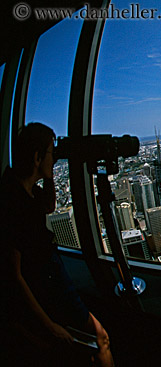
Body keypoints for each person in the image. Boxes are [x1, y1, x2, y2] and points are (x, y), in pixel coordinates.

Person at [0, 123, 115, 366]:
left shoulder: (25, 189)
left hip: (49, 277)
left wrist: (50, 173)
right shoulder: (13, 202)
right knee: (100, 338)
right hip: (47, 283)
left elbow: (49, 206)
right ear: (36, 157)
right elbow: (14, 275)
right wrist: (49, 325)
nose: (54, 159)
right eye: (51, 153)